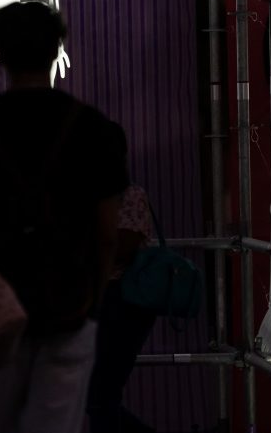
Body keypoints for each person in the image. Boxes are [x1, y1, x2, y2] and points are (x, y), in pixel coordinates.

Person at [0, 1, 128, 433]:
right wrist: (93, 298)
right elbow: (106, 233)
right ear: (56, 48)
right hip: (70, 303)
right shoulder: (92, 129)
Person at [87, 184, 157, 433]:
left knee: (99, 393)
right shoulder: (126, 194)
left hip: (121, 298)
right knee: (99, 393)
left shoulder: (129, 194)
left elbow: (124, 245)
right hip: (110, 298)